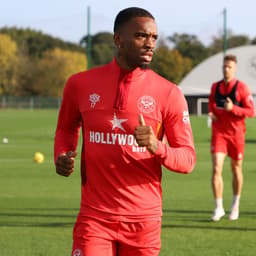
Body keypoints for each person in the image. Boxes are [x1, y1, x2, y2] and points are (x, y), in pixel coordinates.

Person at [54, 7, 196, 256]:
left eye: (154, 37)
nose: (150, 44)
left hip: (144, 221)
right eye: (141, 36)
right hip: (95, 216)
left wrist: (156, 146)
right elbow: (66, 127)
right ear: (118, 39)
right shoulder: (80, 84)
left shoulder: (169, 93)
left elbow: (188, 159)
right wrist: (63, 154)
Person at [208, 54, 255, 222]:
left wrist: (233, 108)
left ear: (234, 69)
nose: (226, 69)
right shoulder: (215, 87)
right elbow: (211, 103)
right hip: (219, 134)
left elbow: (251, 111)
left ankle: (235, 205)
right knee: (216, 169)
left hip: (237, 135)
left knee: (236, 169)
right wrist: (211, 113)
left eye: (229, 67)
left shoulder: (242, 88)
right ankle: (219, 207)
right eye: (224, 67)